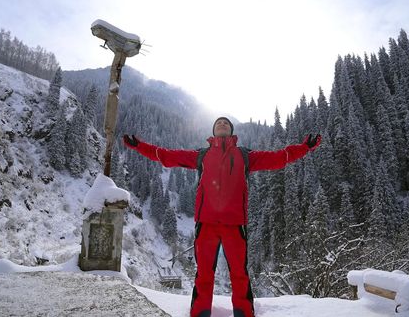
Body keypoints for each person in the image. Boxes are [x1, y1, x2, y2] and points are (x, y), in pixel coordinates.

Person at [123, 117, 321, 317]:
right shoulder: (202, 155)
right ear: (213, 131)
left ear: (232, 130)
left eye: (226, 123)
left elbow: (279, 158)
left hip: (235, 225)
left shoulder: (245, 155)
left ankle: (244, 313)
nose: (222, 124)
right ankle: (200, 313)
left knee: (239, 275)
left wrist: (304, 148)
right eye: (219, 123)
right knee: (204, 275)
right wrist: (140, 146)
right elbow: (166, 156)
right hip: (206, 223)